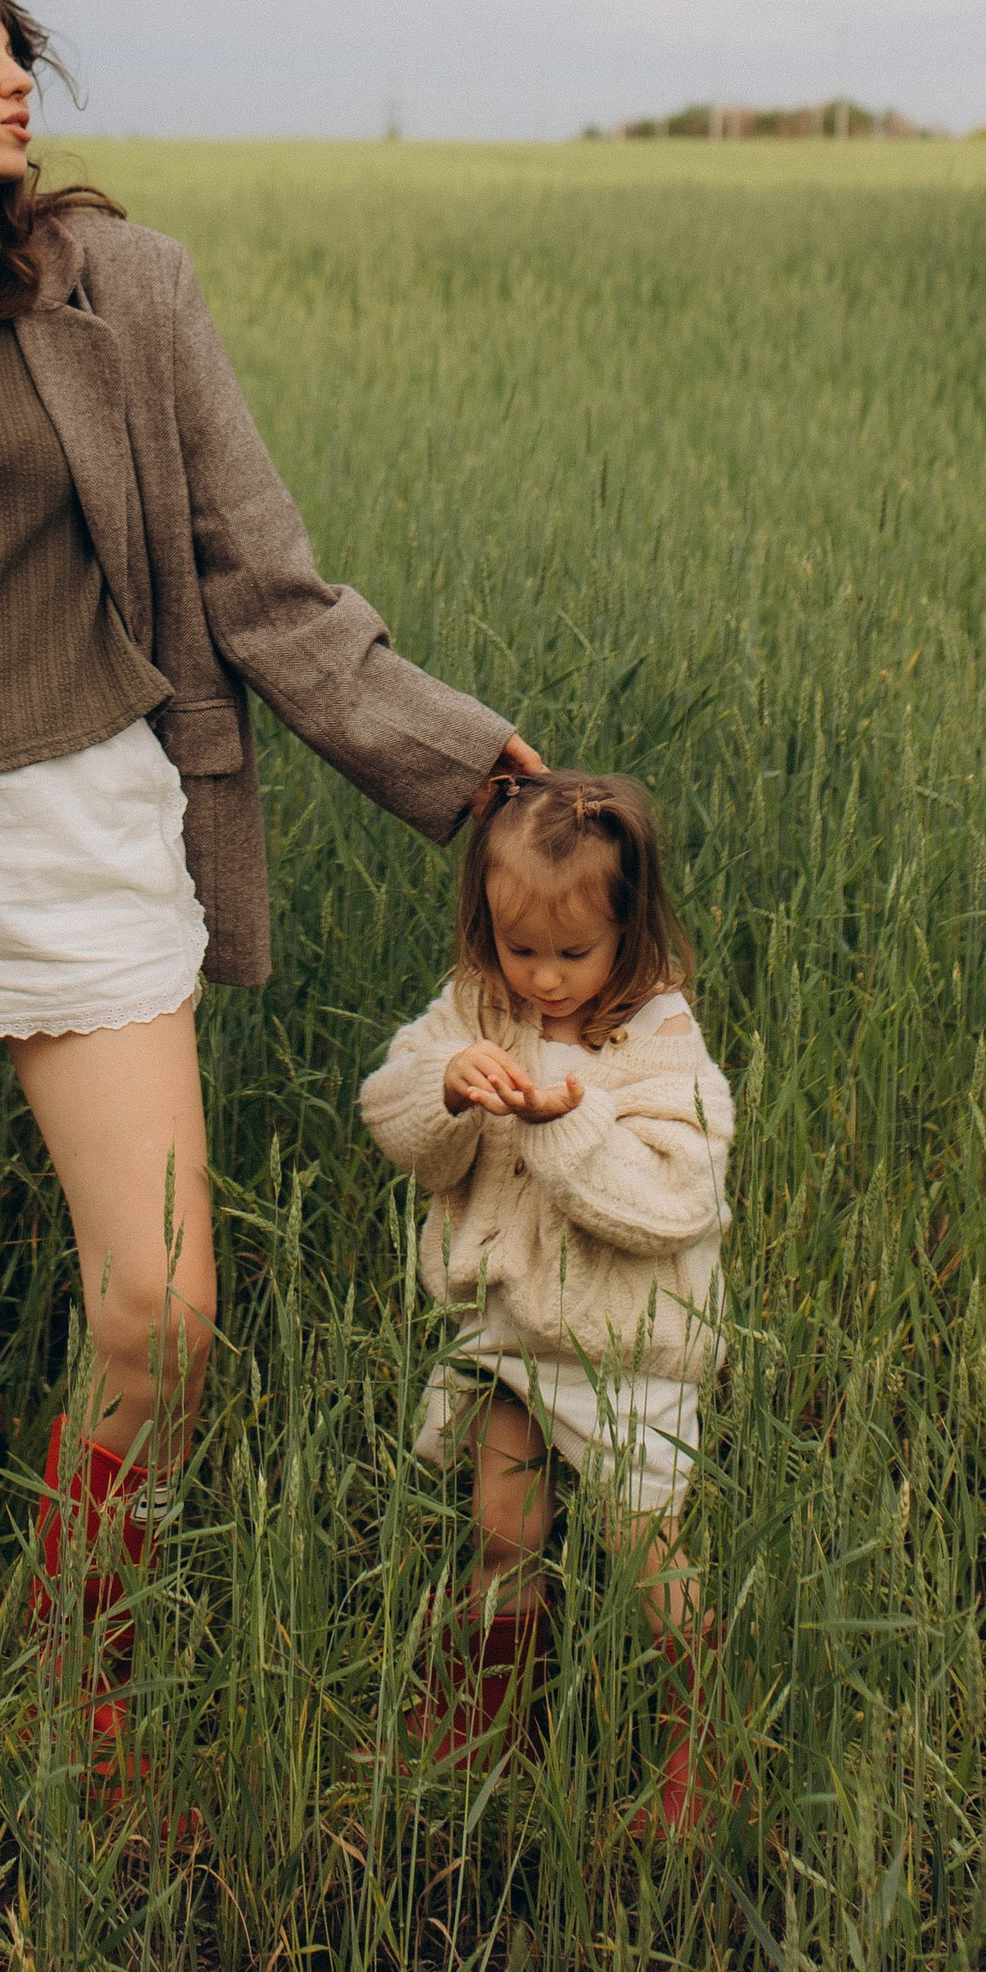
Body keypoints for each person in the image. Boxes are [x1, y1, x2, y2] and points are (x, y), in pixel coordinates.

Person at [0, 0, 540, 1765]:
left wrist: (449, 756)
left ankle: (87, 1684)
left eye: (13, 48)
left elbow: (258, 577)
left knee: (162, 1307)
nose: (15, 78)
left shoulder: (124, 293)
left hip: (77, 830)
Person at [357, 769, 735, 1840]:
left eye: (573, 954)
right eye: (520, 949)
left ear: (631, 930)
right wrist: (445, 1082)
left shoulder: (660, 1042)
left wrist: (567, 1123)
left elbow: (675, 1202)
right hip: (508, 1336)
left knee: (649, 1552)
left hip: (624, 1352)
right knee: (501, 1530)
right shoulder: (480, 1004)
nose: (545, 977)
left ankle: (700, 1737)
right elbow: (391, 1112)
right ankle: (494, 1719)